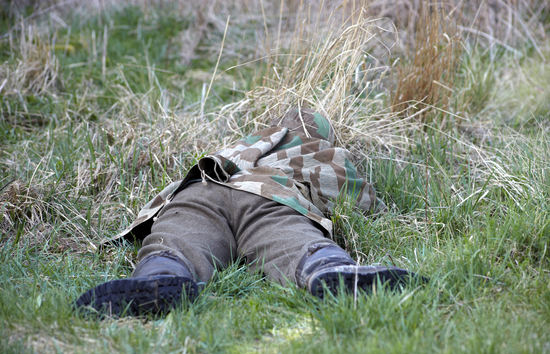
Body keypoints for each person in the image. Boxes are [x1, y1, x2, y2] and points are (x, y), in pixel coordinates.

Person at [75, 108, 424, 317]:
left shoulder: (240, 147)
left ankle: (157, 277)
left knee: (177, 243)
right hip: (269, 197)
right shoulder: (316, 151)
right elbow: (357, 202)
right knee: (295, 244)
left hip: (201, 189)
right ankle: (331, 270)